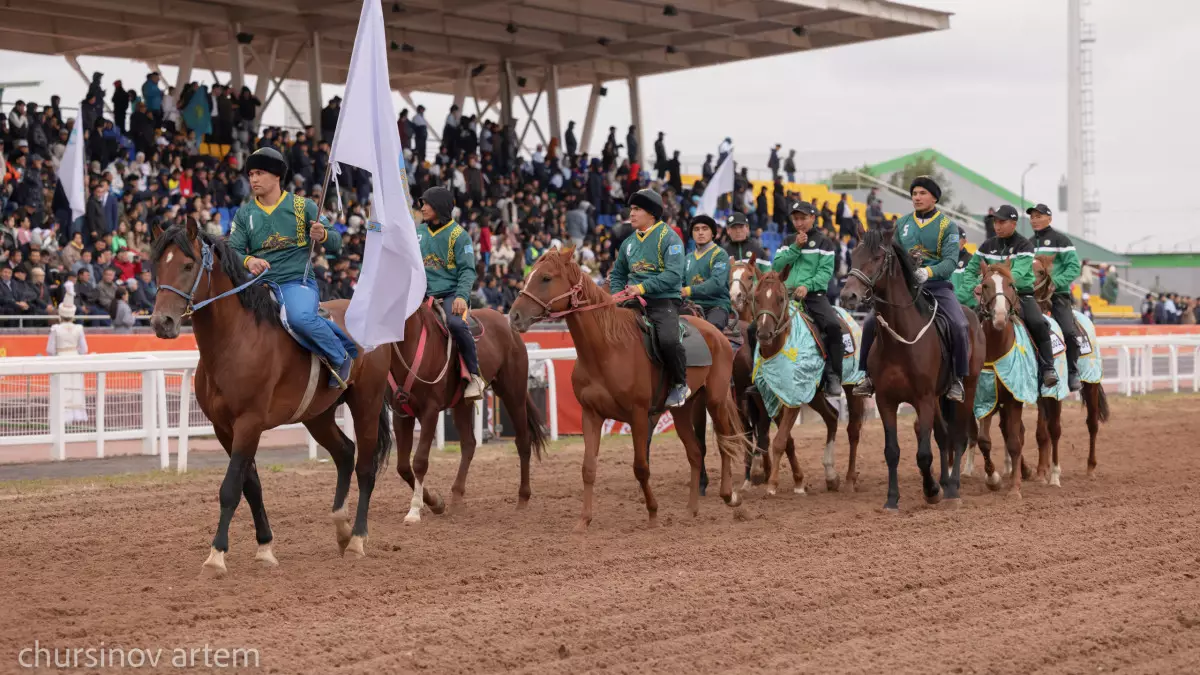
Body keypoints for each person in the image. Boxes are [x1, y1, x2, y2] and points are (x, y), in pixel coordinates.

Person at [229, 147, 358, 388]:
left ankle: (341, 356)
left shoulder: (304, 206)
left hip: (296, 280)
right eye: (251, 174)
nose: (253, 179)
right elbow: (232, 251)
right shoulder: (244, 214)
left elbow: (337, 242)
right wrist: (249, 261)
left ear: (277, 175)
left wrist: (322, 235)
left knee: (297, 318)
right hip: (258, 283)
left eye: (259, 173)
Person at [853, 177, 970, 402]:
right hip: (906, 289)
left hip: (937, 287)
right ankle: (866, 376)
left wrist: (928, 272)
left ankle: (957, 379)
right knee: (869, 323)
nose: (917, 197)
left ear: (934, 198)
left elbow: (951, 261)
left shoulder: (948, 226)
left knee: (960, 324)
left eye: (922, 193)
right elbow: (891, 257)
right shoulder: (902, 223)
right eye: (914, 193)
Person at [960, 205, 1059, 389]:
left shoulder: (1024, 246)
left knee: (1038, 323)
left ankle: (1048, 368)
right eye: (995, 222)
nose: (997, 226)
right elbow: (971, 268)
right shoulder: (986, 245)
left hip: (1021, 295)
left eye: (1002, 222)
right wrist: (971, 287)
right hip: (990, 298)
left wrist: (995, 281)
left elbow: (1018, 273)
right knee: (965, 326)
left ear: (1013, 223)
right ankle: (961, 372)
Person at [610, 188, 689, 407]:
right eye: (631, 209)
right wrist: (616, 296)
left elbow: (673, 276)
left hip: (664, 301)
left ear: (652, 214)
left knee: (668, 340)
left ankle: (680, 384)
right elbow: (617, 274)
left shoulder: (670, 238)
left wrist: (642, 288)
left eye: (637, 209)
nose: (631, 214)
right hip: (632, 301)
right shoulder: (627, 243)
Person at [414, 186, 486, 399]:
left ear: (440, 207)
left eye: (427, 204)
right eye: (422, 203)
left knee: (455, 324)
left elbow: (467, 270)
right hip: (421, 295)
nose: (423, 208)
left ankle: (475, 376)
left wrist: (462, 297)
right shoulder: (418, 232)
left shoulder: (459, 235)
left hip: (451, 295)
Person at [772, 201, 843, 392]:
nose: (799, 222)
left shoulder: (824, 242)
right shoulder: (788, 241)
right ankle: (760, 374)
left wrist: (807, 285)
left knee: (834, 327)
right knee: (757, 327)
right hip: (785, 296)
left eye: (803, 218)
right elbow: (777, 267)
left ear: (813, 218)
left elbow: (826, 272)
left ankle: (833, 375)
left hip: (813, 296)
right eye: (795, 219)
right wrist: (795, 247)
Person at [1028, 203, 1082, 391]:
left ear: (1049, 219)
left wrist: (1055, 282)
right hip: (1031, 297)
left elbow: (1074, 267)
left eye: (1039, 216)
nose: (1034, 220)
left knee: (1068, 331)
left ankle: (1073, 370)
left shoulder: (1061, 240)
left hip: (1057, 295)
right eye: (1032, 217)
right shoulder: (1026, 244)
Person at [682, 215, 732, 330]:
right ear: (692, 234)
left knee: (709, 331)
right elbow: (681, 283)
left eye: (705, 229)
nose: (700, 232)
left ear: (713, 233)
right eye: (696, 229)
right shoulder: (688, 258)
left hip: (715, 306)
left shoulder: (719, 254)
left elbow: (717, 283)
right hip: (690, 306)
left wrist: (688, 290)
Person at [46, 292, 89, 423]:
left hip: (60, 358)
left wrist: (56, 355)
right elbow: (84, 349)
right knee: (75, 387)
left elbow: (49, 349)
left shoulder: (55, 329)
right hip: (75, 358)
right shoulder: (79, 328)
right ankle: (76, 415)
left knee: (60, 387)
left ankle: (61, 415)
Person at [951, 226, 976, 310]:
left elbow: (970, 287)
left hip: (967, 309)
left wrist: (952, 299)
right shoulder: (942, 259)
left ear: (964, 241)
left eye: (956, 239)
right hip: (947, 305)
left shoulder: (971, 260)